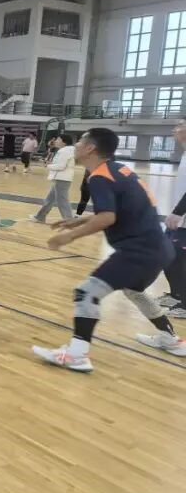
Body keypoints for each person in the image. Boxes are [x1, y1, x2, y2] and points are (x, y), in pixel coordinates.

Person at [33, 128, 185, 371]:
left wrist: (68, 236)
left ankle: (77, 355)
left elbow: (107, 218)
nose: (76, 145)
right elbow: (121, 210)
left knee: (86, 293)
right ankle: (171, 339)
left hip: (139, 251)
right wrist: (78, 221)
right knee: (134, 291)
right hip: (160, 248)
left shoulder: (99, 177)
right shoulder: (118, 170)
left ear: (90, 148)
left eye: (81, 142)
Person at [159, 120, 186, 317]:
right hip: (177, 218)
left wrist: (178, 211)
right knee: (166, 256)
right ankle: (177, 295)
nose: (175, 129)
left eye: (180, 125)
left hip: (182, 218)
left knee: (179, 261)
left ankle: (184, 305)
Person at [30, 134, 76, 223]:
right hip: (61, 178)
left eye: (58, 139)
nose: (56, 141)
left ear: (64, 142)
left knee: (62, 200)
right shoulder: (68, 150)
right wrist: (50, 164)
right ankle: (40, 217)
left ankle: (69, 221)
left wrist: (48, 166)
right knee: (50, 199)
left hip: (62, 178)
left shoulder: (64, 151)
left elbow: (61, 166)